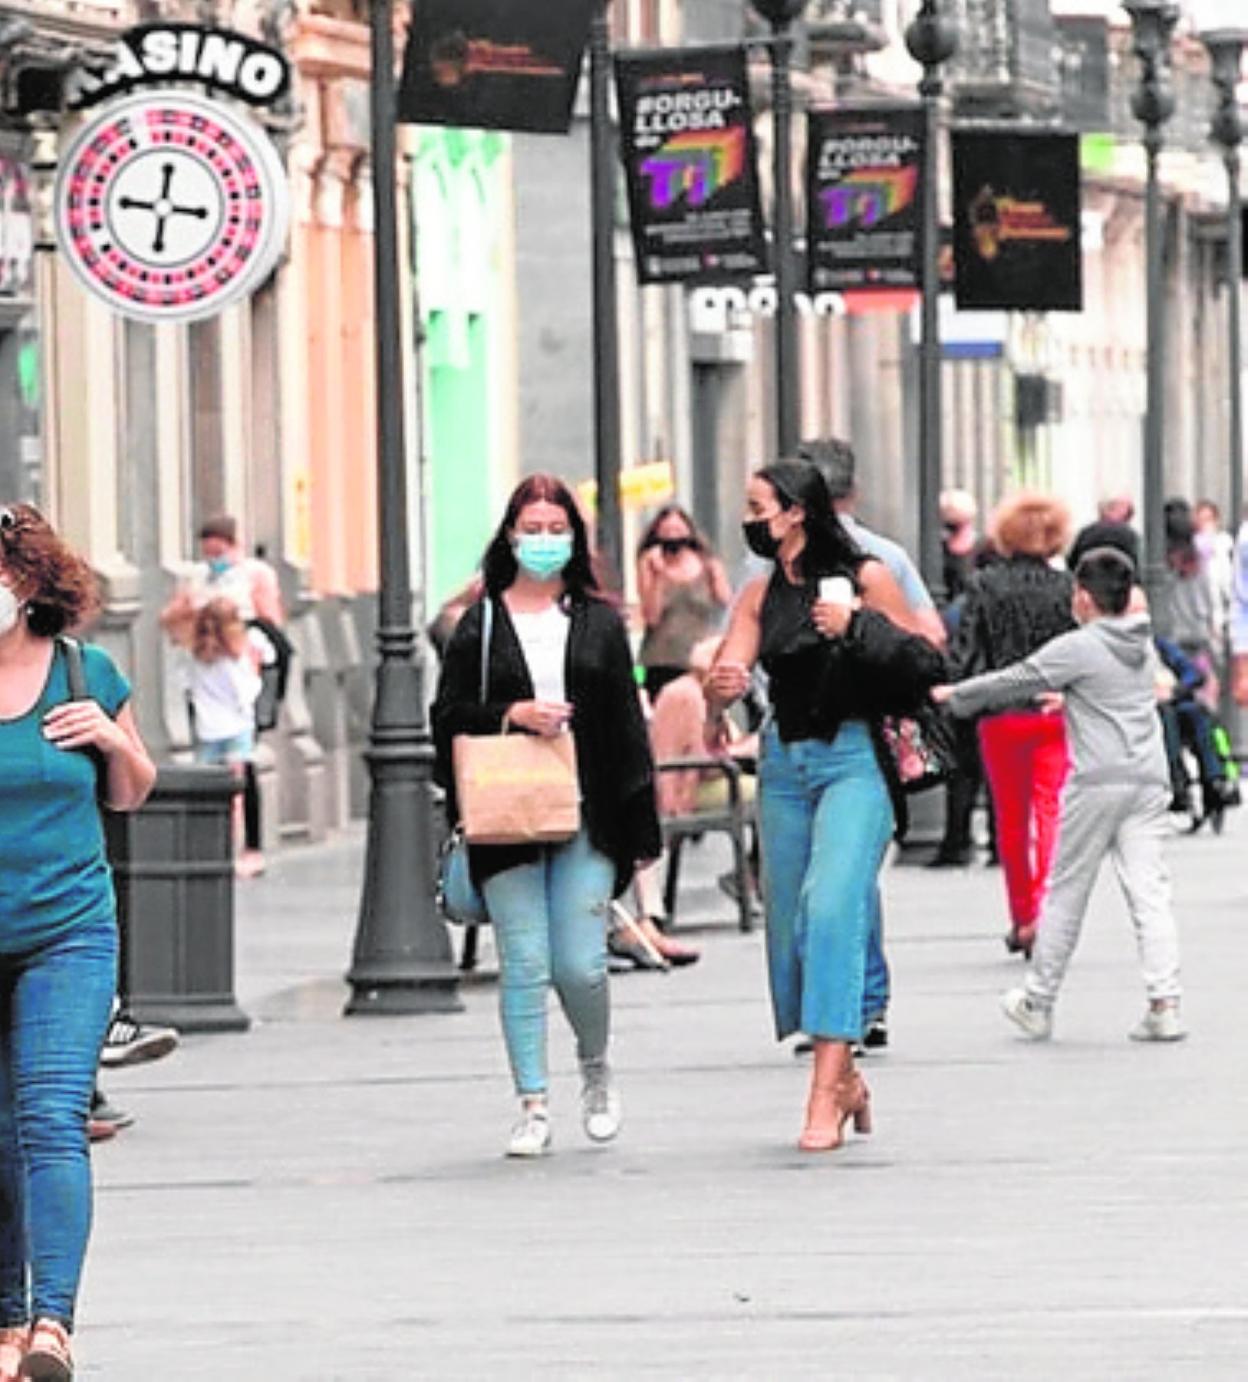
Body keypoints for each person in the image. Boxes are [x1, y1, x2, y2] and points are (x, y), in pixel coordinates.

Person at [705, 462, 944, 1153]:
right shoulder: (758, 593)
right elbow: (728, 674)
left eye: (757, 506)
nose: (748, 518)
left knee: (832, 903)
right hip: (785, 760)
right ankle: (847, 1084)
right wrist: (720, 689)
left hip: (854, 758)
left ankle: (825, 1086)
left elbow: (925, 663)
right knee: (792, 924)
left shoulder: (866, 576)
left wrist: (858, 624)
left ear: (795, 513)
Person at [432, 474, 661, 1159]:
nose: (542, 541)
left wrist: (642, 830)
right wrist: (512, 714)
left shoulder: (598, 621)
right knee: (524, 962)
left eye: (554, 529)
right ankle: (532, 1103)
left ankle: (595, 1067)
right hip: (506, 809)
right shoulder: (479, 622)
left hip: (588, 810)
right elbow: (445, 719)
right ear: (508, 535)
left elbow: (626, 724)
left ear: (575, 537)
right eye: (530, 529)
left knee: (581, 964)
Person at [0, 503, 157, 1381]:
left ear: (28, 581)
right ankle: (4, 1324)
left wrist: (107, 738)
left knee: (51, 1116)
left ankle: (52, 1325)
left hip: (68, 934)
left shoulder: (81, 671)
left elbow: (134, 792)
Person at [934, 548, 1185, 1044]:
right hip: (1147, 779)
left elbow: (1018, 677)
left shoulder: (1080, 646)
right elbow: (1122, 692)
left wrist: (954, 695)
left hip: (1097, 780)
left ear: (1086, 598)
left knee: (1067, 891)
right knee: (1150, 893)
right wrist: (1072, 697)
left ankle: (1038, 1000)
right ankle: (1165, 1003)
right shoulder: (1142, 644)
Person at [796, 438, 946, 1049]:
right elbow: (932, 635)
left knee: (836, 879)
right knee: (834, 881)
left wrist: (858, 627)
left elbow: (923, 647)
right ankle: (852, 1001)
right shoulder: (884, 555)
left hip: (852, 737)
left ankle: (850, 1004)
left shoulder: (874, 562)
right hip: (799, 741)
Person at [952, 493, 1077, 957]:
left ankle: (1023, 916)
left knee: (1009, 817)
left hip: (1001, 713)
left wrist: (963, 695)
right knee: (1050, 812)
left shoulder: (984, 585)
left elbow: (967, 652)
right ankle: (1046, 910)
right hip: (1053, 711)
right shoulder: (1068, 586)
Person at [161, 515, 285, 878]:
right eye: (208, 550)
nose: (214, 557)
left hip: (239, 673)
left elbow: (272, 627)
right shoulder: (195, 579)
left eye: (220, 550)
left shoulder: (254, 575)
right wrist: (195, 612)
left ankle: (251, 845)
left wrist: (247, 647)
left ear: (233, 545)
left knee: (243, 771)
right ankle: (215, 841)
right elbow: (170, 619)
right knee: (213, 771)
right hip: (206, 675)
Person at [636, 505, 732, 704]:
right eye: (667, 532)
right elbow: (651, 616)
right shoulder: (650, 563)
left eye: (678, 531)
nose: (673, 538)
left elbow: (727, 602)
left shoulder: (707, 563)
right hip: (661, 660)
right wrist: (660, 575)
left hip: (700, 658)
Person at [1069, 493, 1141, 572]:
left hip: (1089, 581)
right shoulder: (1130, 535)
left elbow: (1071, 563)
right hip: (1120, 582)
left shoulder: (1085, 532)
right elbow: (1137, 568)